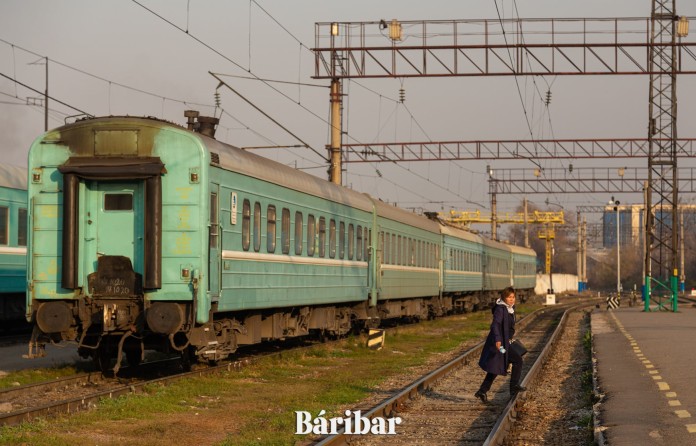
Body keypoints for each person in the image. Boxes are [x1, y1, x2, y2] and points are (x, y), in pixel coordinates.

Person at [474, 286, 526, 403]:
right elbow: (495, 325)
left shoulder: (510, 308)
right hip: (499, 345)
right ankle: (514, 387)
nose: (512, 299)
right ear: (504, 298)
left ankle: (482, 391)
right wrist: (498, 340)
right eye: (509, 297)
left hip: (504, 343)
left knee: (497, 365)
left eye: (513, 297)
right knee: (517, 360)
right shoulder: (500, 309)